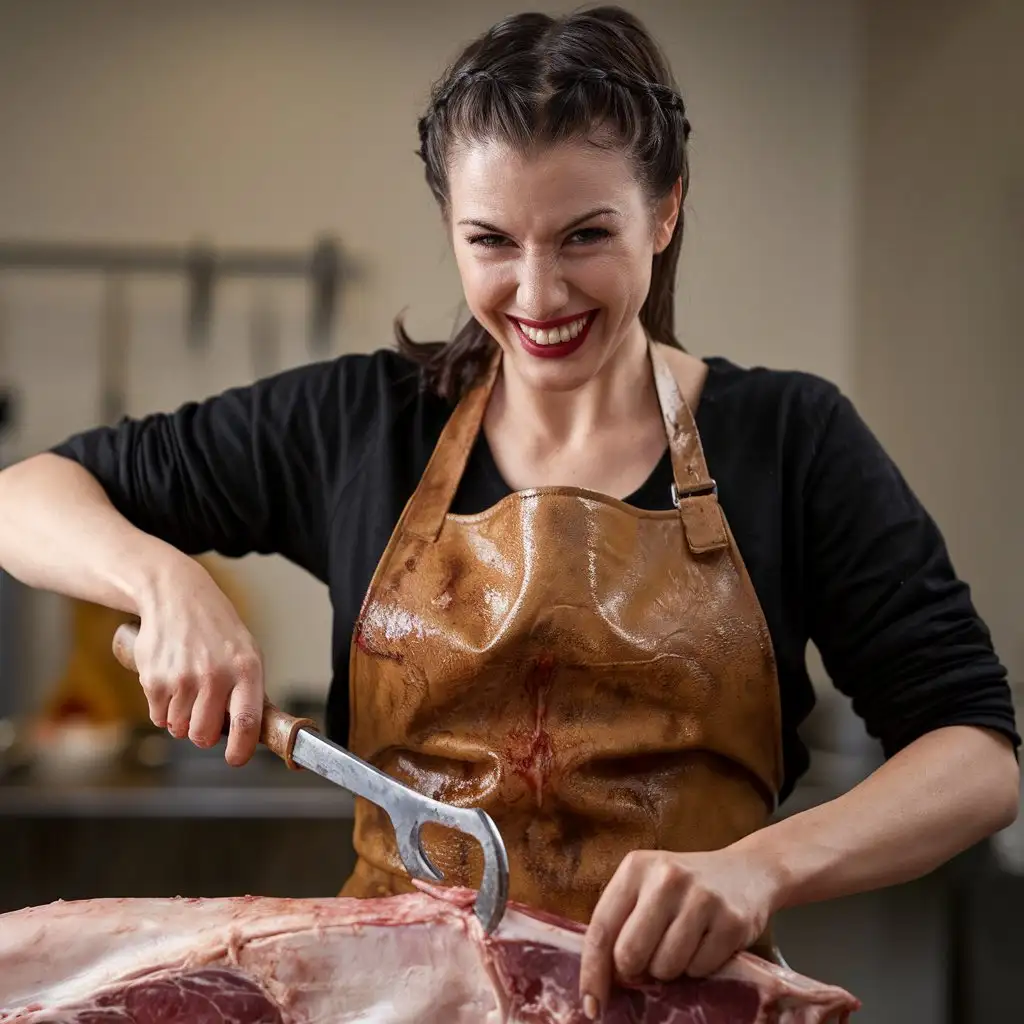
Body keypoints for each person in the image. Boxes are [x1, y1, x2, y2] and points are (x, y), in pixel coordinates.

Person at [0, 5, 1018, 1019]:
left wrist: (761, 866)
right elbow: (25, 493)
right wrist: (163, 580)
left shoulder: (790, 439)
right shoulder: (366, 424)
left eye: (585, 235)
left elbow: (975, 753)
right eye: (490, 240)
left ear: (664, 210)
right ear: (449, 225)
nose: (537, 293)